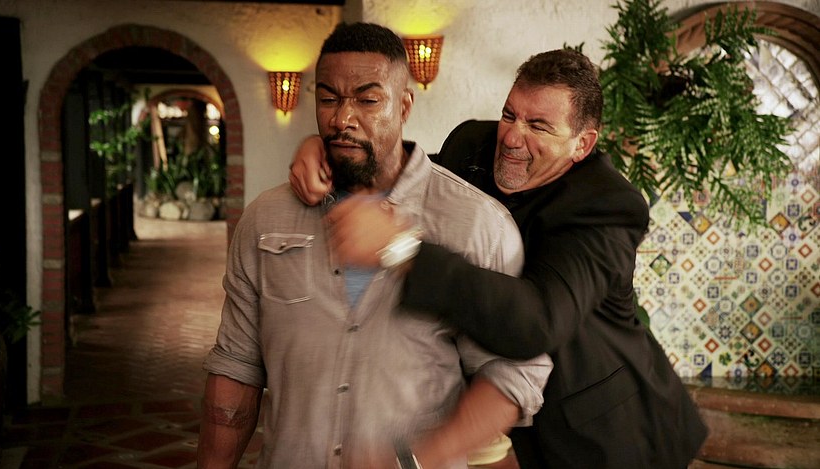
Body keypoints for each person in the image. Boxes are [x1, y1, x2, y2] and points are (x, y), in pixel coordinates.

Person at [290, 49, 709, 468]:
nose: (511, 137)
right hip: (513, 418)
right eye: (510, 115)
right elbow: (407, 175)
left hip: (612, 435)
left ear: (582, 144)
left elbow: (538, 322)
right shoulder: (471, 143)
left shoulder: (608, 207)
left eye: (538, 126)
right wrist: (326, 153)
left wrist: (401, 249)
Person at [198, 22, 553, 469]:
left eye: (367, 100)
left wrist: (411, 461)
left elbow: (513, 377)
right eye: (328, 99)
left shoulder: (477, 224)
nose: (342, 119)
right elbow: (235, 368)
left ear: (404, 105)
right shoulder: (265, 220)